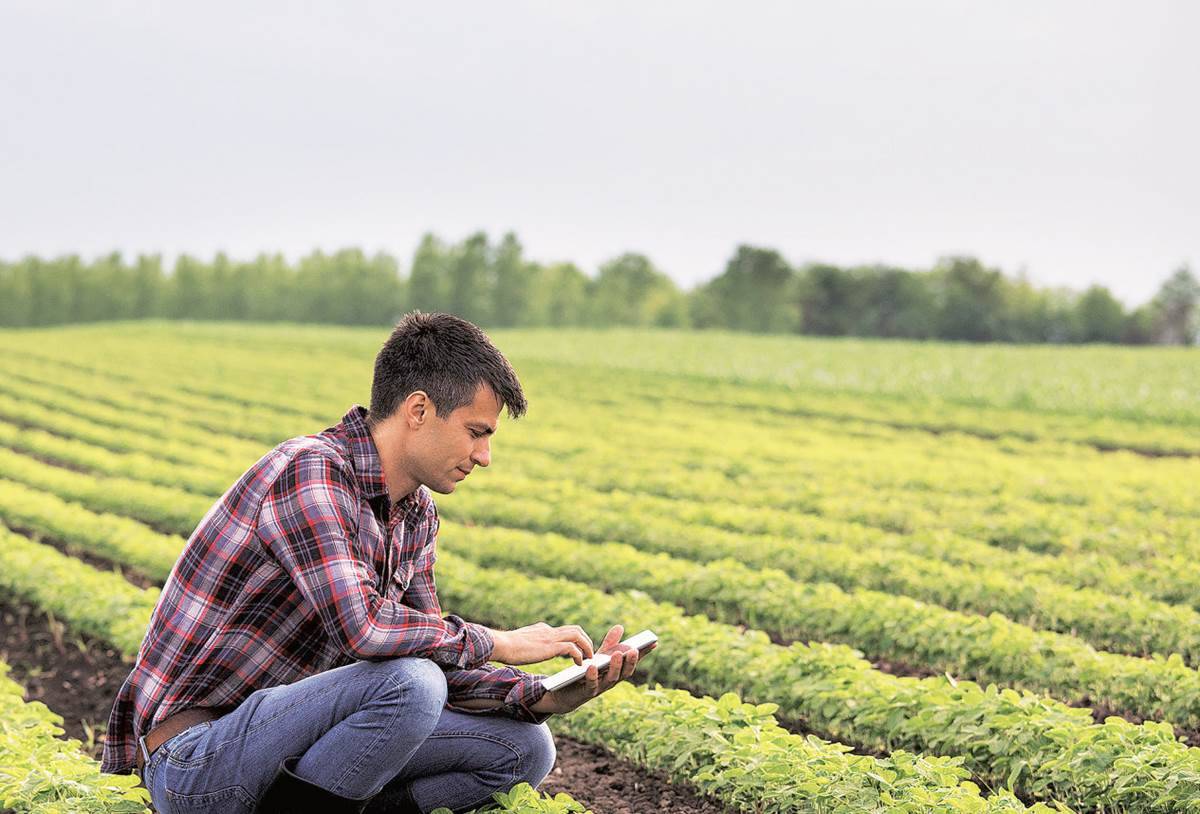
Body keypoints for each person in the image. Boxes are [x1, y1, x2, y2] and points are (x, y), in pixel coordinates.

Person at [100, 312, 650, 814]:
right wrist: (503, 641)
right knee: (411, 684)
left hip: (300, 750)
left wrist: (548, 693)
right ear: (418, 410)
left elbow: (435, 652)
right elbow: (367, 630)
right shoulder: (311, 472)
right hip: (199, 761)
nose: (485, 456)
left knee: (525, 749)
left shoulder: (416, 516)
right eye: (476, 432)